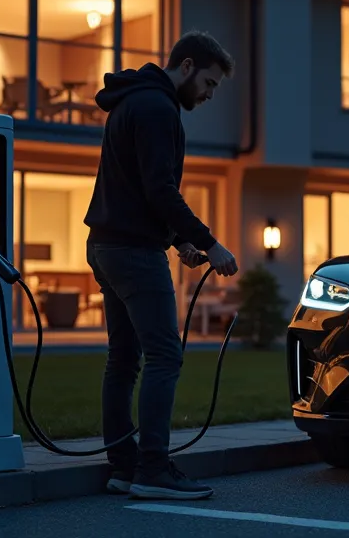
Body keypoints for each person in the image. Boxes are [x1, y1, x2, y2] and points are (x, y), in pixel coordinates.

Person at [83, 31, 241, 501]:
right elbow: (159, 190)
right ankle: (152, 469)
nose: (210, 95)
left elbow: (139, 189)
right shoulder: (156, 109)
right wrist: (209, 243)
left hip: (108, 244)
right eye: (209, 83)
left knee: (124, 360)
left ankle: (124, 465)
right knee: (165, 355)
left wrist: (175, 241)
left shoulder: (132, 102)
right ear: (187, 66)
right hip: (132, 252)